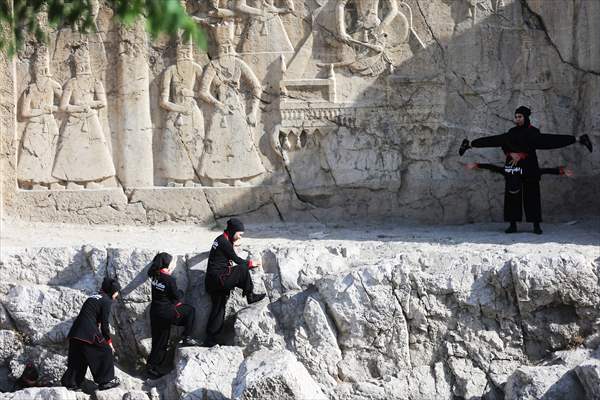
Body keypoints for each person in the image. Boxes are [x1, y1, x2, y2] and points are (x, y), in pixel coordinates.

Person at [459, 106, 592, 233]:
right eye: (516, 117)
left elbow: (548, 141)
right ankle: (512, 225)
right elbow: (499, 142)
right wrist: (510, 154)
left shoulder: (533, 132)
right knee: (512, 195)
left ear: (526, 117)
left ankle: (536, 225)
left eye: (520, 116)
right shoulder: (512, 132)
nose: (517, 119)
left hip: (529, 167)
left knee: (532, 196)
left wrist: (522, 155)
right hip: (513, 168)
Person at [204, 218, 265, 347]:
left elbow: (225, 252)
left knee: (218, 310)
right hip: (220, 280)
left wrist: (233, 243)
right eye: (239, 234)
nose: (240, 236)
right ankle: (250, 295)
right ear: (232, 231)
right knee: (242, 269)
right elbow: (237, 259)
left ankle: (211, 338)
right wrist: (251, 263)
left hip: (212, 282)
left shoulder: (220, 239)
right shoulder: (224, 243)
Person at [466, 162, 574, 234]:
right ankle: (513, 226)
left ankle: (536, 226)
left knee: (532, 202)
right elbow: (494, 168)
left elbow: (543, 170)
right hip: (513, 189)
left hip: (528, 186)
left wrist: (561, 171)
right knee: (512, 204)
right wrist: (478, 165)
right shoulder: (508, 170)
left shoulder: (528, 169)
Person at [61, 278, 121, 391]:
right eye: (117, 291)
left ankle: (71, 384)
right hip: (88, 332)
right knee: (106, 351)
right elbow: (104, 325)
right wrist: (109, 342)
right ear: (112, 291)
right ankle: (106, 381)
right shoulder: (106, 300)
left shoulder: (94, 296)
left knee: (78, 358)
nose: (117, 294)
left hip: (75, 332)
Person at [146, 252, 198, 378]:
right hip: (166, 313)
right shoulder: (169, 279)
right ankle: (187, 337)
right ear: (167, 264)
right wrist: (180, 291)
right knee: (190, 311)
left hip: (155, 313)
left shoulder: (154, 275)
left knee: (158, 340)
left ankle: (151, 366)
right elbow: (176, 296)